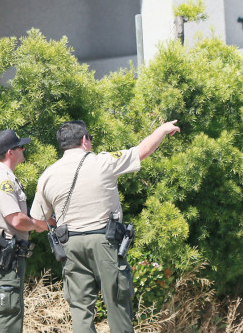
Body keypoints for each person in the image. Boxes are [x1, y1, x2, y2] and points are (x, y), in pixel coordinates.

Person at [30, 119, 180, 333]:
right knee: (117, 304)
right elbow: (142, 151)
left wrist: (61, 225)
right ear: (84, 141)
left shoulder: (47, 175)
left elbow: (38, 220)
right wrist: (162, 130)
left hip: (70, 245)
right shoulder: (103, 161)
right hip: (104, 242)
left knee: (80, 311)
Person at [0, 129, 47, 333]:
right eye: (20, 146)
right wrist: (39, 225)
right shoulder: (2, 180)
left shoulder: (4, 177)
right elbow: (16, 220)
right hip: (6, 255)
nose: (23, 149)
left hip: (10, 254)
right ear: (11, 152)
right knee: (9, 312)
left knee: (12, 309)